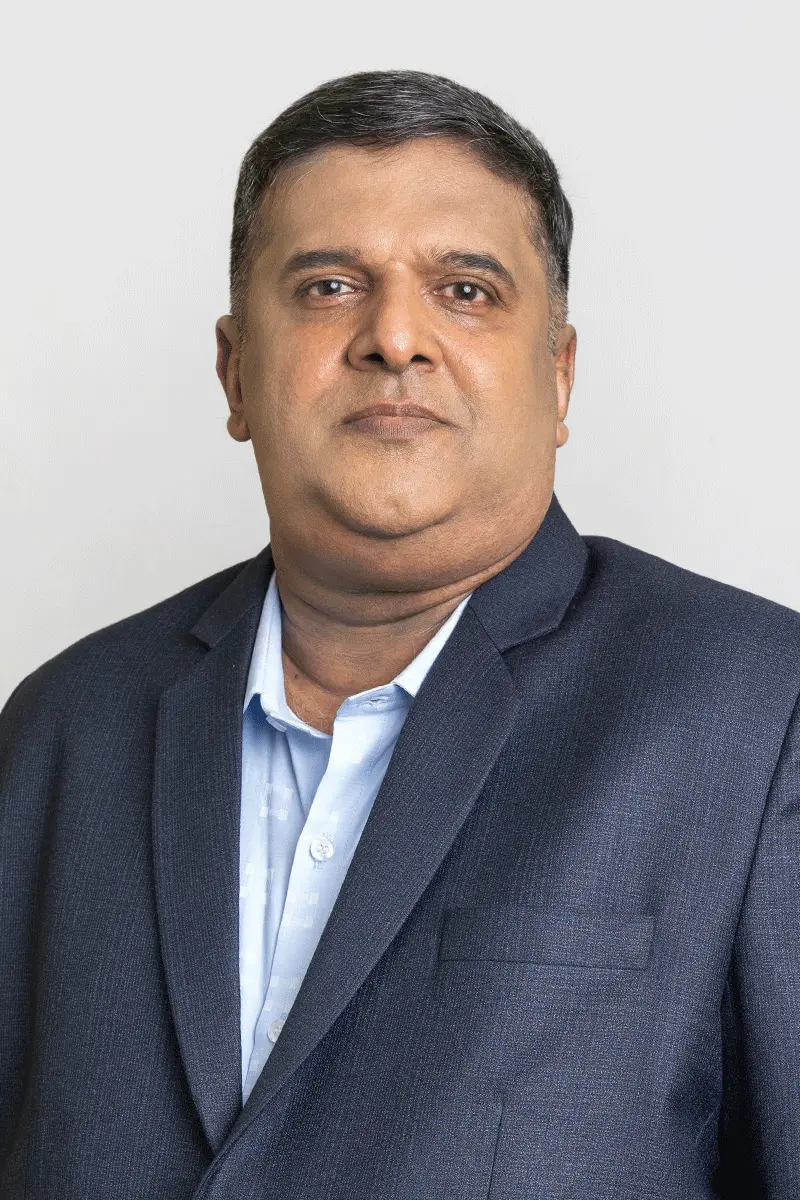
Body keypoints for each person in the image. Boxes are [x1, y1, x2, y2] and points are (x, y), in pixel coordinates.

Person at [1, 68, 798, 1200]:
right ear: (234, 372)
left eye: (464, 290)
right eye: (328, 286)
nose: (392, 336)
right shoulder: (61, 729)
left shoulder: (759, 715)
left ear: (559, 376)